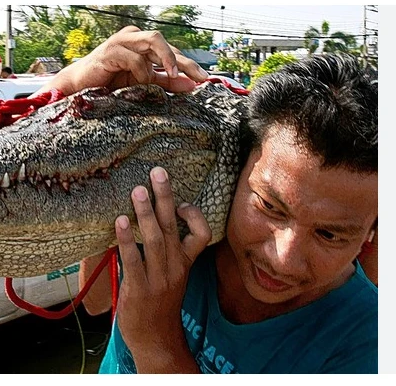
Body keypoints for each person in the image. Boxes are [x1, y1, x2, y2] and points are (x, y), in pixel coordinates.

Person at [35, 26, 378, 374]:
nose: (282, 260)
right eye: (270, 206)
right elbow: (95, 302)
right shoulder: (172, 219)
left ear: (372, 231)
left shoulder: (367, 343)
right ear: (240, 167)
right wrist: (75, 87)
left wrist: (156, 341)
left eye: (330, 235)